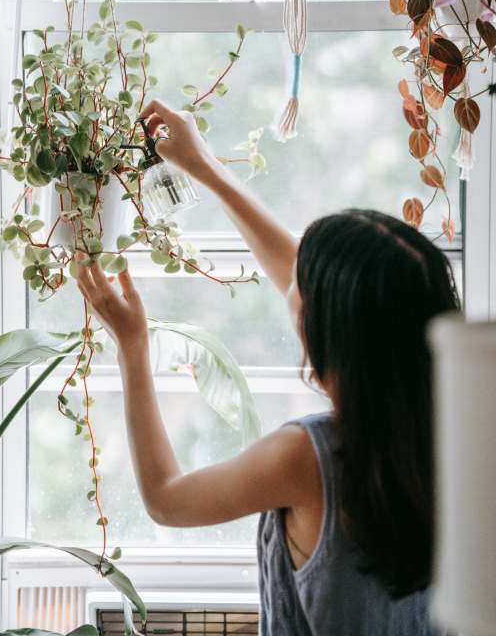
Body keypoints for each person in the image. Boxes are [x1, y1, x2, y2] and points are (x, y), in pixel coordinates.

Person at [76, 100, 460, 635]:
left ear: (330, 331)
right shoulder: (454, 437)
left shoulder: (309, 457)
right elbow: (304, 278)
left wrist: (133, 349)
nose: (290, 284)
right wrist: (202, 166)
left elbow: (167, 500)